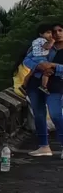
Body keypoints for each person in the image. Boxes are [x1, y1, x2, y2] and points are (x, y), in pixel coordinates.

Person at [23, 22, 62, 157]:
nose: (56, 34)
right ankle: (43, 146)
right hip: (35, 83)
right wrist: (39, 66)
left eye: (60, 31)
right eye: (53, 31)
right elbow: (26, 60)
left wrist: (53, 67)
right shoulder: (41, 45)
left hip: (55, 84)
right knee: (39, 115)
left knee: (56, 114)